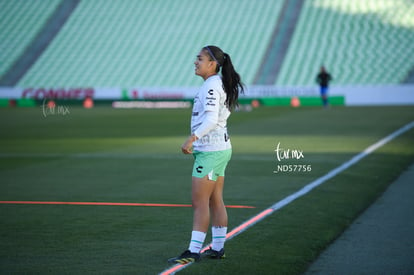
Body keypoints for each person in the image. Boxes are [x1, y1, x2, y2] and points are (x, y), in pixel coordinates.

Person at [168, 45, 244, 264]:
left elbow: (211, 120)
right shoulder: (218, 83)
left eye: (200, 58)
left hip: (211, 151)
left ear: (213, 64)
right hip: (220, 149)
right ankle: (217, 247)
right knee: (214, 199)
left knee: (199, 201)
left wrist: (192, 138)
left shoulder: (211, 86)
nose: (195, 62)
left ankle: (193, 251)